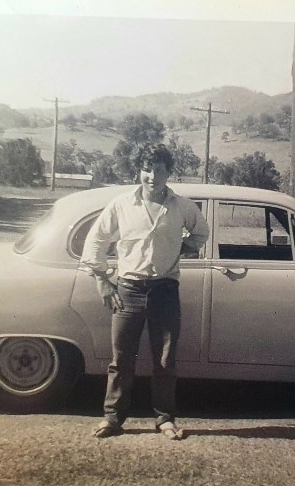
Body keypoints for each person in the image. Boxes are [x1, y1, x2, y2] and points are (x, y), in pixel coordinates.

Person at [79, 143, 210, 440]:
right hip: (128, 290)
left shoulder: (182, 206)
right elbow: (97, 240)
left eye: (159, 170)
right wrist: (101, 279)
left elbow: (201, 232)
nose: (152, 176)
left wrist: (183, 248)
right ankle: (112, 418)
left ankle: (165, 419)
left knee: (165, 360)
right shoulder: (121, 204)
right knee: (121, 359)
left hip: (165, 290)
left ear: (168, 172)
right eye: (147, 169)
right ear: (140, 170)